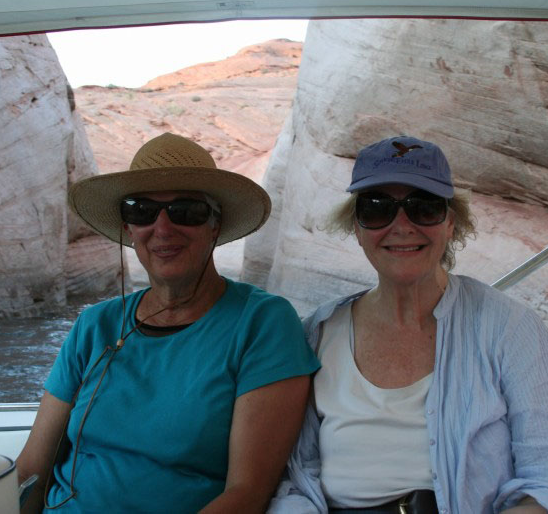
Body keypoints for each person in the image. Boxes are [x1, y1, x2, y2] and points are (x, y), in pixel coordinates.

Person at [269, 136, 548, 514]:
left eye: (423, 207)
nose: (402, 225)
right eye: (377, 209)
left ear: (451, 224)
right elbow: (295, 477)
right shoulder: (317, 332)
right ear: (357, 228)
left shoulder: (510, 328)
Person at [16, 133, 320, 513]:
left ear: (215, 224)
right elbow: (32, 470)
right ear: (128, 228)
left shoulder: (261, 324)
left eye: (186, 211)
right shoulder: (94, 326)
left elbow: (246, 494)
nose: (162, 228)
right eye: (140, 211)